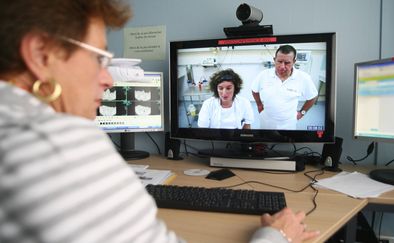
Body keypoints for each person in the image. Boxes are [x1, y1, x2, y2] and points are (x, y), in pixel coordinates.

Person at [0, 1, 319, 243]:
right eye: (98, 58)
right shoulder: (53, 144)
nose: (107, 79)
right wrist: (279, 236)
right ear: (41, 54)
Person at [251, 45, 318, 130]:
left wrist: (302, 112)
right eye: (279, 61)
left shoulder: (303, 78)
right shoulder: (263, 75)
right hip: (267, 120)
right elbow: (254, 90)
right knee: (266, 140)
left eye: (287, 63)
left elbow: (313, 97)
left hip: (289, 122)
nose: (282, 66)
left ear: (294, 62)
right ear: (274, 60)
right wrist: (259, 105)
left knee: (286, 142)